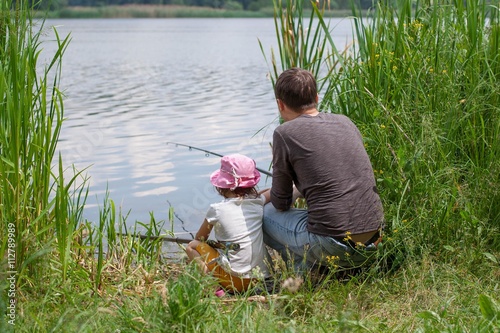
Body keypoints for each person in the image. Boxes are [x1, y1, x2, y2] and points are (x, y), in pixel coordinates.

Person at [261, 67, 384, 274]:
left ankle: (305, 272)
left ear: (280, 105)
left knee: (263, 215)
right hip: (374, 240)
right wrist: (301, 188)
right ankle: (329, 270)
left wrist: (260, 198)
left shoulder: (284, 133)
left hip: (333, 245)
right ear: (316, 98)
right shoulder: (346, 122)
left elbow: (281, 203)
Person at [186, 154, 272, 295]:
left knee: (191, 246)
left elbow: (200, 239)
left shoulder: (216, 209)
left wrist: (215, 244)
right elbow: (271, 192)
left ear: (222, 186)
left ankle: (214, 287)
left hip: (234, 283)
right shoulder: (258, 202)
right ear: (251, 184)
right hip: (261, 278)